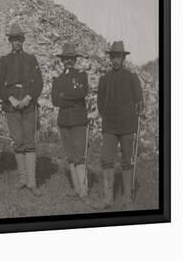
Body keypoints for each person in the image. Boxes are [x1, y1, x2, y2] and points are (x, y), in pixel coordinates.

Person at [0, 23, 43, 196]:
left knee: (30, 141)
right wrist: (11, 98)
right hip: (11, 105)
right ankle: (23, 178)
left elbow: (39, 82)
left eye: (19, 39)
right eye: (14, 40)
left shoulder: (31, 59)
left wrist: (29, 97)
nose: (17, 43)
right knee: (18, 139)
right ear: (10, 41)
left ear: (23, 40)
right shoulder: (4, 61)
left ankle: (32, 182)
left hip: (29, 105)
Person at [97, 41, 144, 208]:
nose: (115, 60)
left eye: (118, 57)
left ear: (123, 58)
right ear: (110, 58)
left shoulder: (132, 78)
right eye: (113, 57)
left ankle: (127, 197)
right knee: (106, 160)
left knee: (126, 161)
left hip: (127, 127)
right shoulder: (104, 79)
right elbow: (100, 102)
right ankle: (108, 198)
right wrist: (107, 115)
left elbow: (140, 100)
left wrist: (138, 108)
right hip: (109, 126)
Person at [51, 43, 89, 199]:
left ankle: (84, 189)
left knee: (79, 154)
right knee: (70, 155)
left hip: (78, 120)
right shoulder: (58, 79)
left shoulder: (81, 75)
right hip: (64, 121)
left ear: (75, 60)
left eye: (71, 58)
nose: (68, 61)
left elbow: (81, 93)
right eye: (66, 58)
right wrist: (71, 98)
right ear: (62, 60)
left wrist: (64, 96)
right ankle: (76, 188)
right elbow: (54, 100)